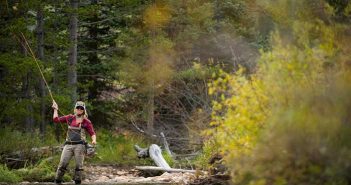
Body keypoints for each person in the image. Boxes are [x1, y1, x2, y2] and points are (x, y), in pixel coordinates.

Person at [52, 100, 96, 184]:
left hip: (80, 146)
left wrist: (94, 140)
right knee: (62, 164)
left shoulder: (86, 121)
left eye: (81, 108)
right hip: (68, 145)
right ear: (75, 109)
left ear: (84, 110)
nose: (79, 109)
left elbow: (92, 133)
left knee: (79, 166)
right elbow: (56, 120)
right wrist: (55, 109)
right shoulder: (69, 117)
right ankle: (57, 181)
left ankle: (78, 182)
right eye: (78, 108)